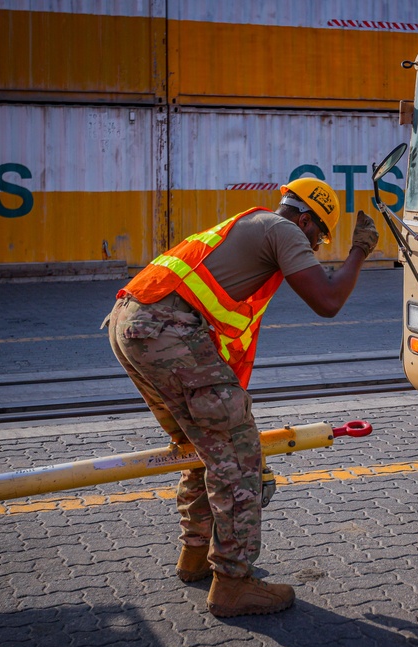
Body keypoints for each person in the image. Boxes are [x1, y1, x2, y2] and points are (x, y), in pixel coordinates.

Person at [105, 177, 379, 617]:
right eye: (320, 236)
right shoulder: (283, 229)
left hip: (131, 323)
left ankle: (195, 556)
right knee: (237, 457)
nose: (315, 246)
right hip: (165, 329)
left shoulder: (248, 229)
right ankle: (233, 582)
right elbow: (328, 300)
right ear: (307, 220)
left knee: (204, 446)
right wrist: (360, 250)